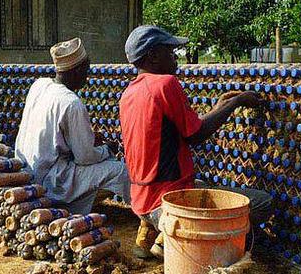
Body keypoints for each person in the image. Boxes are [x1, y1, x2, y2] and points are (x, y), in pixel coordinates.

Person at [120, 25, 273, 259]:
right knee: (262, 203)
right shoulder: (165, 83)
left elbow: (184, 129)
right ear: (152, 55)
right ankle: (172, 239)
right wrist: (237, 102)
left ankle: (148, 232)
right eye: (170, 51)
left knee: (201, 182)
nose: (176, 57)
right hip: (168, 202)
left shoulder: (129, 93)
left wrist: (219, 107)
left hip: (140, 199)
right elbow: (197, 135)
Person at [15, 38, 130, 215]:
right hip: (52, 180)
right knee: (120, 170)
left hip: (26, 174)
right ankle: (147, 218)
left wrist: (90, 139)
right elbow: (84, 157)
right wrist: (107, 149)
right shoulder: (71, 103)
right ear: (76, 71)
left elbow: (52, 136)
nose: (87, 74)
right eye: (86, 69)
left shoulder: (39, 85)